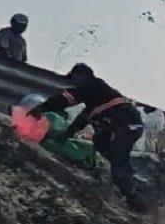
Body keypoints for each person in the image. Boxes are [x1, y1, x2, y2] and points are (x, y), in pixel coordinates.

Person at [28, 63, 144, 210]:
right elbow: (82, 120)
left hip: (125, 123)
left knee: (118, 155)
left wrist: (43, 107)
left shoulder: (92, 85)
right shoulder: (96, 98)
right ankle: (125, 180)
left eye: (74, 78)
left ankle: (134, 200)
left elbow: (67, 98)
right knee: (100, 141)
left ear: (82, 75)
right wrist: (65, 136)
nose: (73, 82)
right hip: (123, 123)